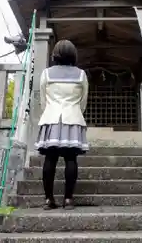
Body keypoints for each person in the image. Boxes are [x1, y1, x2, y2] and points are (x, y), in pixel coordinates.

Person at [35, 39, 89, 210]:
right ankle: (68, 199)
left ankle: (48, 199)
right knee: (71, 159)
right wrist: (75, 111)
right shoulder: (81, 75)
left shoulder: (46, 74)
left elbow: (43, 100)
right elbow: (83, 101)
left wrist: (49, 110)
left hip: (51, 118)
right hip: (73, 117)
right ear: (73, 54)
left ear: (55, 54)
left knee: (50, 158)